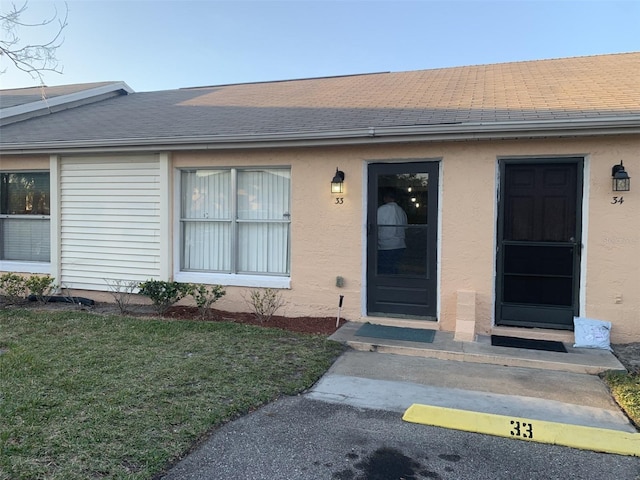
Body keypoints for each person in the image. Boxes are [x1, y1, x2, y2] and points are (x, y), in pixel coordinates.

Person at [377, 188, 407, 274]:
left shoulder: (382, 210)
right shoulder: (401, 211)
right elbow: (405, 227)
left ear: (385, 198)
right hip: (400, 245)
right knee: (395, 270)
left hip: (386, 245)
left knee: (384, 270)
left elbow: (375, 226)